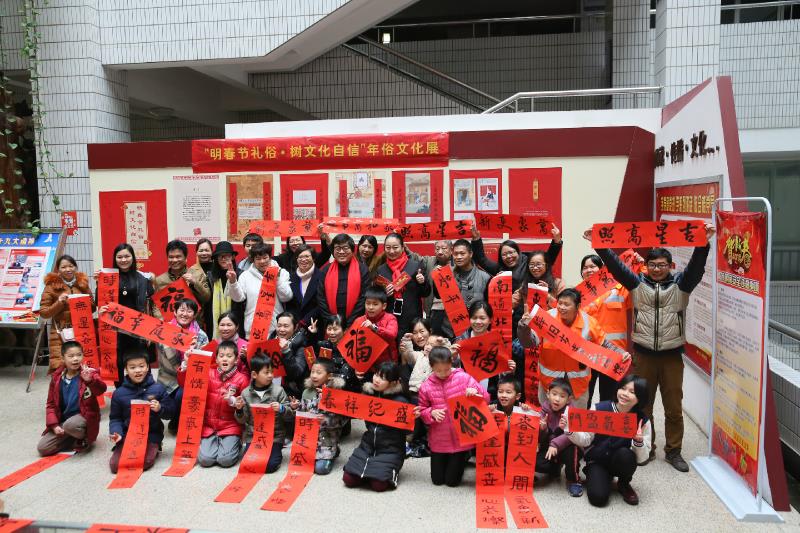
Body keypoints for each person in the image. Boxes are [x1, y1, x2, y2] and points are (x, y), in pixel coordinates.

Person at [586, 224, 715, 472]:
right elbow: (616, 267)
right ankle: (646, 446)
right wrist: (599, 245)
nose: (657, 269)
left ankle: (674, 451)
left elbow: (696, 270)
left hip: (672, 357)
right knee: (643, 405)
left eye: (662, 265)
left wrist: (703, 244)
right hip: (643, 355)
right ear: (646, 266)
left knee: (674, 405)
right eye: (652, 265)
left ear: (670, 266)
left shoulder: (681, 286)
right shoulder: (637, 284)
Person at [518, 291, 630, 409]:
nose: (561, 307)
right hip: (549, 385)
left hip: (577, 388)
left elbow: (605, 344)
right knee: (548, 422)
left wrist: (621, 354)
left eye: (566, 304)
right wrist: (524, 327)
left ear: (577, 306)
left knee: (574, 424)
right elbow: (528, 343)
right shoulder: (547, 318)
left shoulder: (589, 323)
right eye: (560, 303)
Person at [568, 375, 652, 506]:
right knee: (598, 499)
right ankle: (600, 476)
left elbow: (641, 459)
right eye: (623, 388)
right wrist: (570, 431)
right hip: (597, 460)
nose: (625, 394)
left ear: (640, 398)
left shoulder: (642, 421)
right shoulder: (599, 409)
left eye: (632, 392)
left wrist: (638, 442)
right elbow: (585, 439)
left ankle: (623, 483)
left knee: (626, 454)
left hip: (620, 460)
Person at [417, 346, 489, 487]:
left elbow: (485, 399)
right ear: (431, 367)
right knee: (437, 481)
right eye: (438, 371)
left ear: (451, 363)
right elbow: (421, 410)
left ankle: (464, 456)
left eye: (447, 369)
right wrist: (431, 412)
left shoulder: (463, 378)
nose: (443, 373)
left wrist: (474, 391)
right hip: (439, 439)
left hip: (461, 438)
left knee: (451, 482)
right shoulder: (426, 387)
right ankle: (455, 461)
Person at [343, 362, 411, 491]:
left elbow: (407, 432)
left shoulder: (401, 402)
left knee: (378, 485)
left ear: (393, 382)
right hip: (367, 445)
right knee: (349, 479)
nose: (376, 379)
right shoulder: (369, 394)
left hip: (390, 449)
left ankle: (388, 471)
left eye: (383, 378)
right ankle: (372, 470)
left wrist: (413, 418)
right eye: (376, 374)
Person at [181, 340, 250, 468]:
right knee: (205, 460)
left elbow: (245, 412)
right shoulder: (207, 373)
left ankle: (234, 443)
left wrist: (236, 404)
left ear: (236, 360)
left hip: (230, 426)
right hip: (209, 426)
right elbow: (186, 384)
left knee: (225, 460)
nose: (225, 359)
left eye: (229, 356)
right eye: (221, 356)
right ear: (216, 359)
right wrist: (186, 363)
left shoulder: (242, 379)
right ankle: (214, 441)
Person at [109, 350, 175, 474]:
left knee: (144, 462)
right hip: (128, 435)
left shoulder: (158, 388)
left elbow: (171, 412)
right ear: (126, 370)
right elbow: (115, 418)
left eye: (141, 366)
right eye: (132, 367)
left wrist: (160, 408)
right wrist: (116, 432)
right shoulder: (119, 393)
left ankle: (155, 446)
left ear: (148, 367)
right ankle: (122, 447)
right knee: (115, 466)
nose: (138, 370)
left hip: (151, 434)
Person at [38, 341, 107, 455]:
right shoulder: (57, 377)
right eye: (71, 356)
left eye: (79, 355)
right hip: (64, 420)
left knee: (70, 425)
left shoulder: (89, 373)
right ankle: (72, 437)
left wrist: (90, 381)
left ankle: (84, 437)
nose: (76, 359)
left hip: (83, 418)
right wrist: (54, 425)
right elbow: (50, 404)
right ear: (63, 358)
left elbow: (101, 390)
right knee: (43, 448)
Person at [99, 243, 154, 384]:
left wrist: (149, 331)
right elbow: (98, 302)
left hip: (136, 329)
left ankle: (141, 392)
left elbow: (150, 304)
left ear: (133, 258)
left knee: (139, 362)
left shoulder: (142, 279)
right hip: (114, 330)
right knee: (117, 362)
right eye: (120, 257)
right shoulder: (107, 278)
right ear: (115, 259)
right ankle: (121, 392)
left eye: (127, 256)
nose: (123, 260)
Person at [581, 254, 633, 403]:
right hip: (587, 353)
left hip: (613, 354)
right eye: (585, 268)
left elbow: (638, 286)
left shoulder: (620, 289)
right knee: (584, 397)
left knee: (608, 398)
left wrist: (639, 266)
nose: (589, 270)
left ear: (602, 269)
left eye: (592, 266)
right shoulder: (579, 295)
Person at [234, 353, 294, 473]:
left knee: (270, 466)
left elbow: (290, 416)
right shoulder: (246, 393)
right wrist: (239, 409)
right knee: (250, 463)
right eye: (266, 373)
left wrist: (282, 409)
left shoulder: (279, 391)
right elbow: (242, 420)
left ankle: (276, 453)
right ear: (254, 375)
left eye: (271, 372)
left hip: (274, 436)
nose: (271, 375)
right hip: (254, 436)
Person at [156, 299, 208, 433]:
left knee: (181, 395)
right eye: (182, 310)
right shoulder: (164, 329)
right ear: (175, 312)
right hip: (167, 377)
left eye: (189, 311)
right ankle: (171, 418)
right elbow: (140, 330)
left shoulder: (201, 336)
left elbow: (203, 364)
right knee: (158, 396)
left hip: (188, 379)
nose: (185, 314)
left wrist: (194, 350)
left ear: (194, 315)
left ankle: (179, 419)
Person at [291, 358, 349, 475]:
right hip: (309, 437)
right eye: (312, 372)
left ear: (329, 376)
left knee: (320, 469)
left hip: (327, 437)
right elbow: (302, 416)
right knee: (300, 463)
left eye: (319, 372)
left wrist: (327, 404)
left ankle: (333, 452)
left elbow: (343, 420)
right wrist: (296, 408)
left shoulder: (337, 393)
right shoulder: (307, 392)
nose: (314, 376)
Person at [452, 301, 518, 399]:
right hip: (463, 393)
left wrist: (508, 371)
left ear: (490, 320)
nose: (478, 322)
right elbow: (451, 371)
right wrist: (452, 356)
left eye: (482, 318)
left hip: (489, 394)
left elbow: (501, 374)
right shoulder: (461, 340)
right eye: (474, 318)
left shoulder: (496, 341)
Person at [39, 255, 93, 372]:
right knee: (60, 367)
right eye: (63, 267)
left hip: (82, 330)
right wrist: (59, 302)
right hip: (59, 333)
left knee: (82, 366)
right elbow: (44, 313)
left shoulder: (82, 284)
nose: (68, 269)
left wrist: (85, 302)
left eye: (71, 266)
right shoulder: (51, 287)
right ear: (58, 269)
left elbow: (92, 308)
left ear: (75, 267)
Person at [431, 239, 491, 339]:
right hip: (449, 329)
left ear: (470, 254)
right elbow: (438, 295)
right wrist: (437, 278)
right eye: (455, 254)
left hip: (475, 330)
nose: (458, 257)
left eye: (462, 253)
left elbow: (488, 305)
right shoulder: (447, 274)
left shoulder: (485, 277)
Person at [232, 242, 293, 340]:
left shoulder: (282, 273)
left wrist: (277, 279)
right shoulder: (245, 276)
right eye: (258, 258)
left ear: (270, 257)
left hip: (276, 329)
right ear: (253, 260)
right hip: (254, 329)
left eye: (265, 258)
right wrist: (233, 282)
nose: (262, 261)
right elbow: (239, 298)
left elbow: (286, 297)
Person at [375, 233, 431, 338]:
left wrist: (422, 282)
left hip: (412, 316)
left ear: (402, 247)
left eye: (395, 247)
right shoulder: (381, 270)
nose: (391, 251)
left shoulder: (414, 266)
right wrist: (385, 294)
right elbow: (378, 297)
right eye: (388, 248)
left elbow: (426, 293)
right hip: (390, 318)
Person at [535, 378, 583, 497]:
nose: (557, 399)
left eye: (562, 396)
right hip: (550, 447)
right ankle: (555, 468)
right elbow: (540, 439)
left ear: (569, 399)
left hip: (568, 447)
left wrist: (555, 444)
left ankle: (573, 480)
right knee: (537, 464)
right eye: (554, 394)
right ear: (548, 394)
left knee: (572, 450)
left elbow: (572, 435)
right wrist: (543, 429)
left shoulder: (572, 412)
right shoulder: (544, 409)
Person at [153, 240, 211, 327]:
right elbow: (155, 305)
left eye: (178, 256)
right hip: (169, 328)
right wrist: (161, 320)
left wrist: (195, 283)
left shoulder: (196, 275)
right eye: (171, 257)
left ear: (185, 257)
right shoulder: (160, 280)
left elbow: (207, 298)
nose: (174, 260)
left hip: (194, 327)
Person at [317, 234, 370, 328]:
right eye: (337, 248)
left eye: (345, 248)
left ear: (352, 250)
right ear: (333, 251)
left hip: (356, 321)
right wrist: (331, 321)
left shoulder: (362, 269)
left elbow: (364, 297)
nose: (341, 252)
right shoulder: (325, 270)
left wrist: (350, 323)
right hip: (331, 323)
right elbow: (321, 298)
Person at [308, 314, 359, 392]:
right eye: (329, 329)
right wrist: (313, 334)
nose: (331, 332)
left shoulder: (351, 348)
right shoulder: (325, 345)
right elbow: (312, 357)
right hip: (321, 387)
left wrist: (328, 386)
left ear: (345, 331)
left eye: (335, 329)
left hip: (345, 390)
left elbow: (346, 376)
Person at [350, 286, 399, 366]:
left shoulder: (390, 318)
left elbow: (392, 335)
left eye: (375, 304)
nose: (370, 307)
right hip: (366, 364)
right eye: (368, 303)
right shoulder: (359, 320)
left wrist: (374, 328)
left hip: (387, 364)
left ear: (384, 306)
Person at [205, 241, 244, 338]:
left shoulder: (241, 274)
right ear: (216, 259)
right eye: (220, 256)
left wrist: (233, 280)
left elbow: (242, 299)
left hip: (236, 318)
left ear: (233, 257)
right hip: (214, 319)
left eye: (227, 256)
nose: (223, 259)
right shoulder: (210, 276)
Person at [270, 312, 311, 398]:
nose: (281, 329)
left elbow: (296, 373)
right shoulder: (271, 339)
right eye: (279, 325)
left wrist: (286, 351)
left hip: (291, 392)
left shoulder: (302, 345)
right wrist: (245, 357)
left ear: (295, 327)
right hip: (270, 387)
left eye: (286, 326)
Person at [287, 244, 324, 331]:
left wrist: (304, 321)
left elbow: (322, 303)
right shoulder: (291, 278)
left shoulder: (322, 276)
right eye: (300, 257)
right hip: (295, 326)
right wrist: (294, 321)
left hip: (315, 324)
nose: (303, 260)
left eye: (307, 256)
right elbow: (289, 304)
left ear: (313, 258)